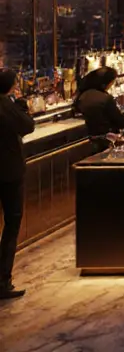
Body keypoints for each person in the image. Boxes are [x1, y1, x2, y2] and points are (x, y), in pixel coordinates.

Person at [0, 69, 34, 300]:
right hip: (8, 173)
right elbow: (27, 126)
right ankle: (3, 281)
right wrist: (22, 106)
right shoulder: (5, 105)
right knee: (12, 224)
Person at [76, 67, 124, 152]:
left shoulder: (82, 95)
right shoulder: (105, 98)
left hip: (88, 142)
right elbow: (120, 122)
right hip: (105, 143)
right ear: (106, 83)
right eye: (112, 82)